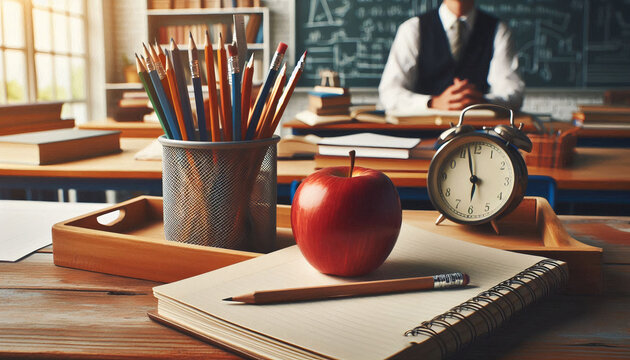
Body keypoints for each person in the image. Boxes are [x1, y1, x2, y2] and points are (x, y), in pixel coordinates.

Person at [378, 0, 524, 112]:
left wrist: (482, 102)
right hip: (421, 134)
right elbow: (389, 93)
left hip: (477, 137)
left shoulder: (498, 30)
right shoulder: (412, 29)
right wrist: (432, 103)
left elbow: (513, 94)